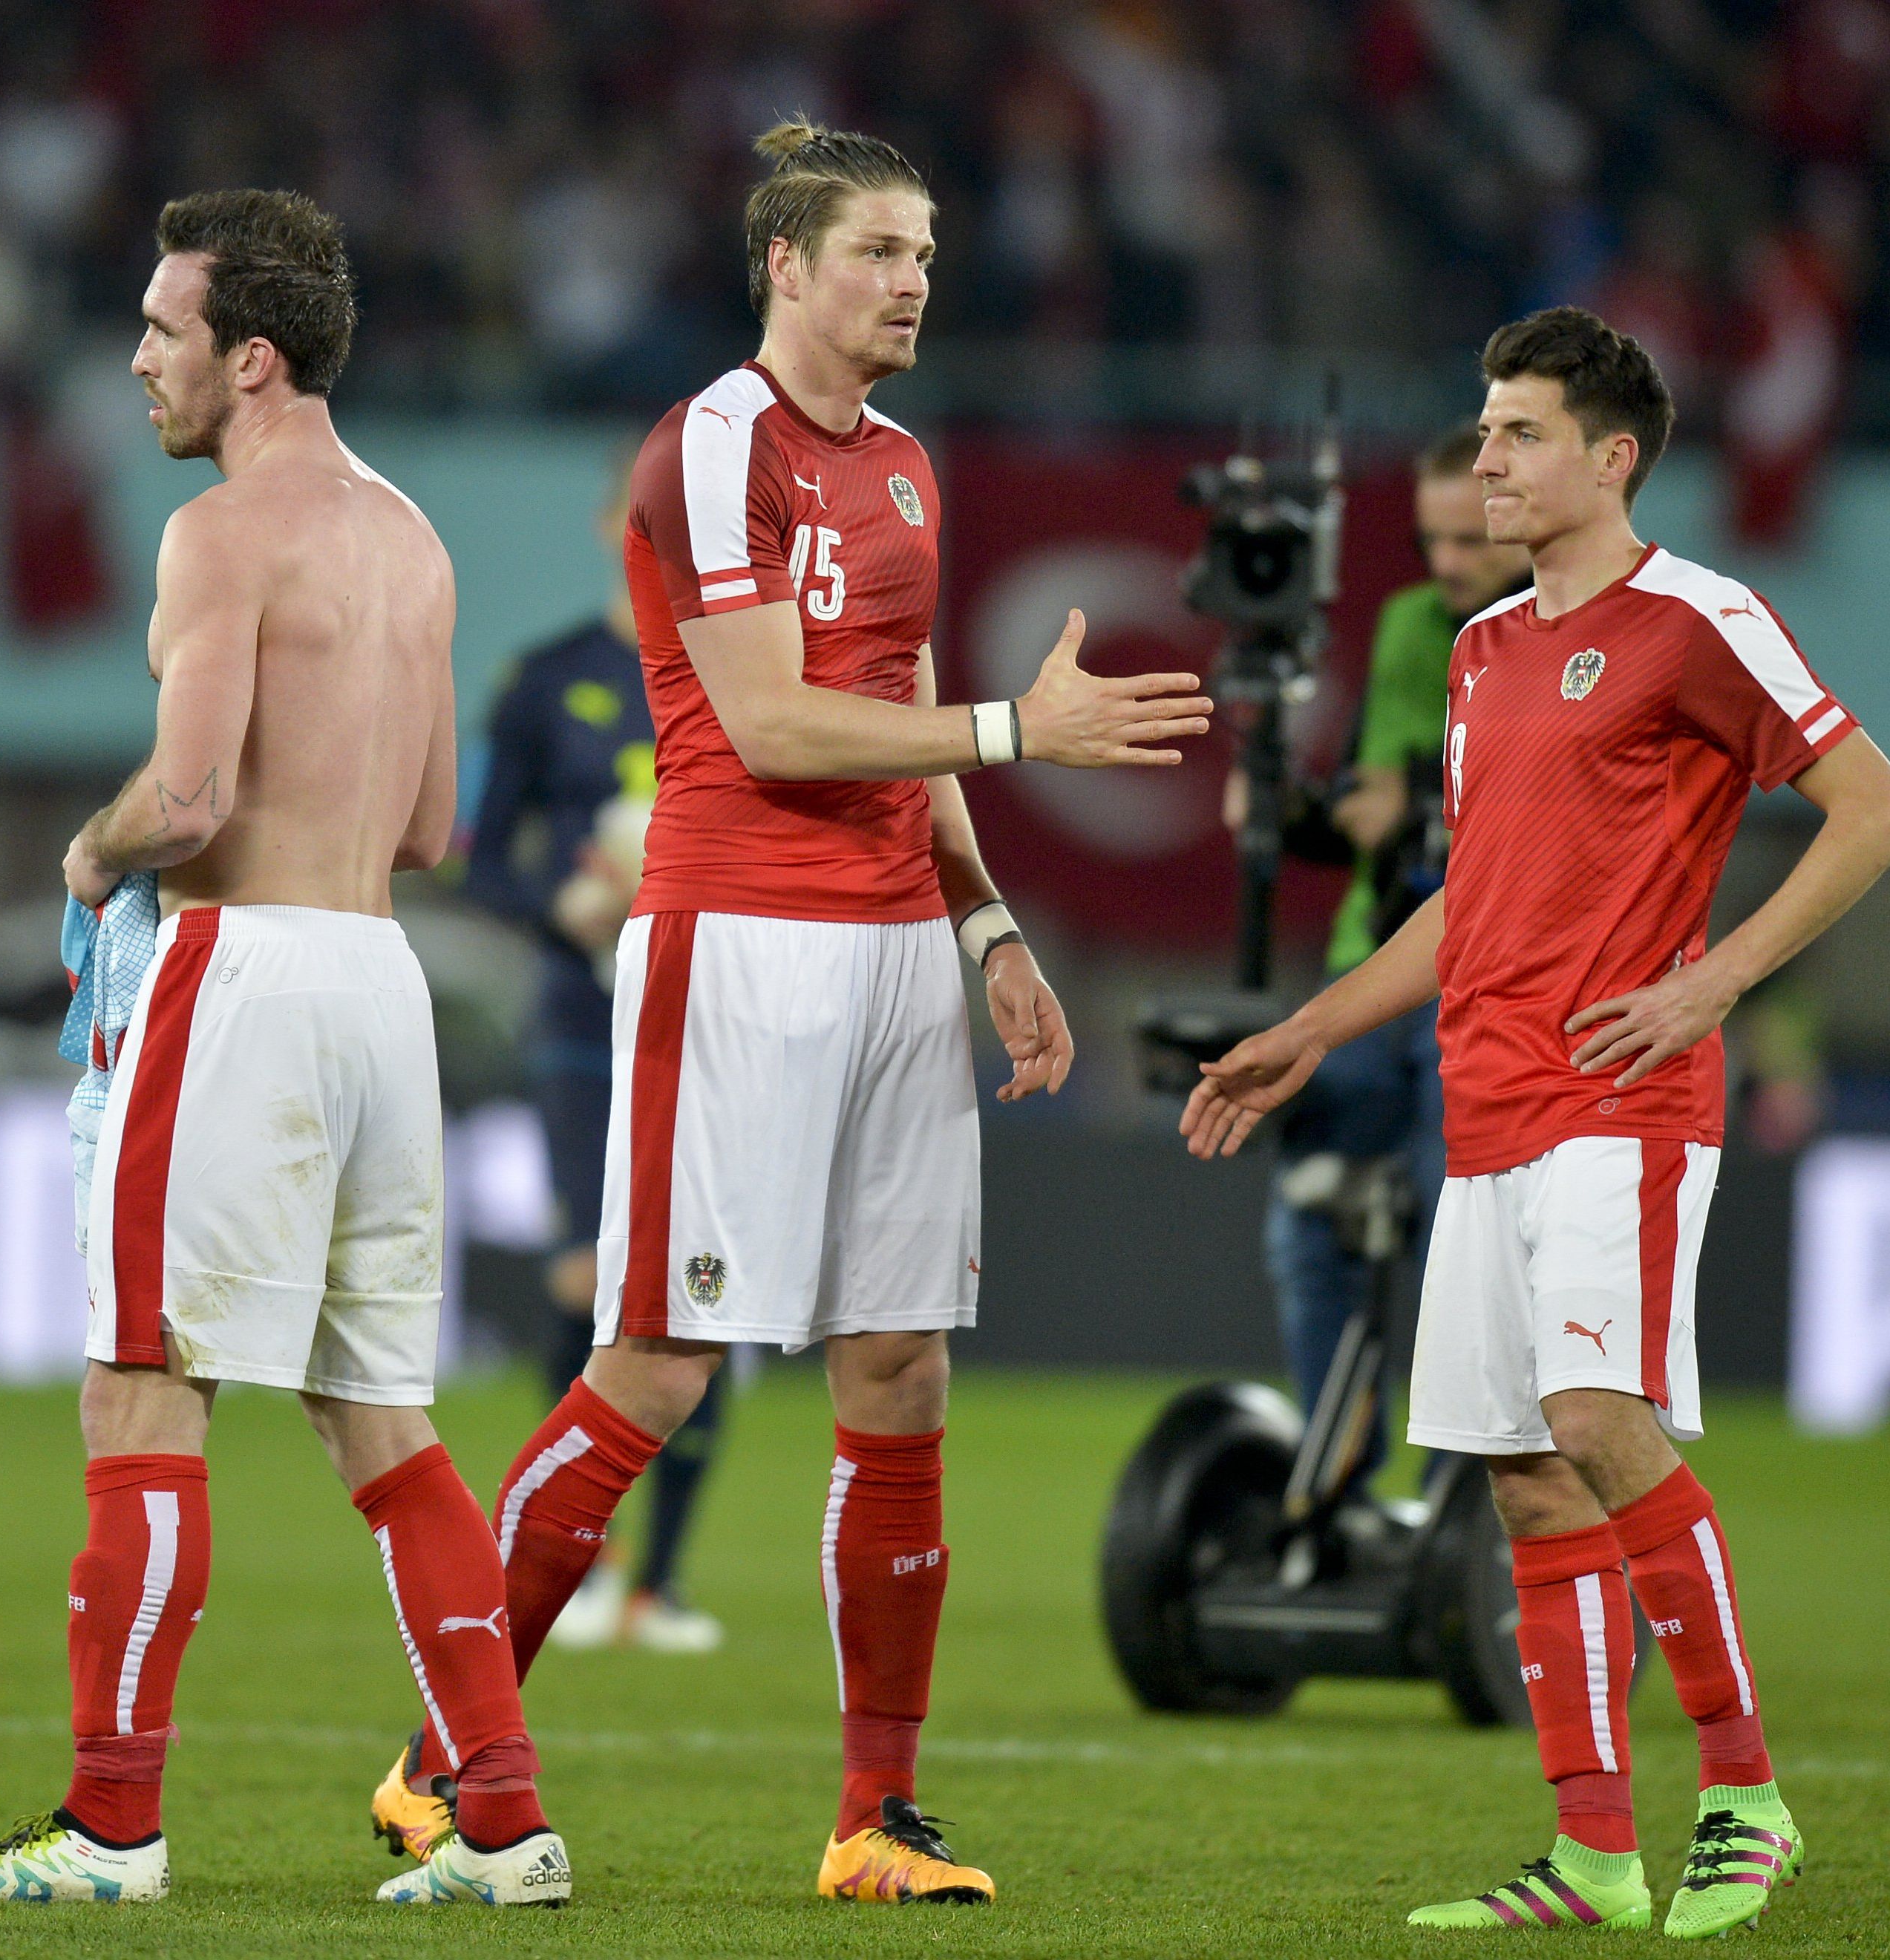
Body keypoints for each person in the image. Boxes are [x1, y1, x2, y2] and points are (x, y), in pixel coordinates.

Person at [370, 117, 1211, 1906]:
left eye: (923, 255)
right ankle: (443, 1758)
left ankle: (873, 1823)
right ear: (787, 265)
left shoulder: (908, 464)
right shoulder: (712, 442)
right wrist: (1016, 734)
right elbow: (770, 728)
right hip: (732, 943)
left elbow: (897, 699)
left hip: (901, 947)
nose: (911, 284)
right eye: (879, 253)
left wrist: (987, 922)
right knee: (654, 1367)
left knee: (901, 1373)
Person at [1183, 307, 1890, 1939]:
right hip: (1489, 1104)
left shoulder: (1697, 617)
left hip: (1625, 1098)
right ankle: (1593, 1851)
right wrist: (1301, 1031)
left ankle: (1745, 1797)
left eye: (1518, 432)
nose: (1489, 458)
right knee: (1521, 1477)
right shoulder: (1480, 650)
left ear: (1612, 458)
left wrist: (1711, 983)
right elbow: (1470, 905)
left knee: (1596, 1418)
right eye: (1484, 425)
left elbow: (1878, 809)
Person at [0, 189, 572, 1911]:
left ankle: (111, 1830)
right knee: (384, 1420)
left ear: (249, 357)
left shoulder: (220, 538)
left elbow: (189, 802)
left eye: (160, 331)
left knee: (143, 1390)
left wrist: (90, 851)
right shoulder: (416, 539)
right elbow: (428, 827)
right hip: (379, 981)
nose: (135, 361)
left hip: (240, 983)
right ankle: (504, 1827)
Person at [461, 480, 725, 1656]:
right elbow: (478, 858)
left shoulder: (743, 669)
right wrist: (559, 906)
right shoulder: (544, 677)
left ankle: (659, 1587)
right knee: (585, 1277)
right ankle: (588, 1566)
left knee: (704, 1298)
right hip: (582, 1013)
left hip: (711, 1015)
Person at [1237, 423, 1528, 1426]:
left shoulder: (1567, 637)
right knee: (1308, 1210)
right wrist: (1290, 811)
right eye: (1430, 542)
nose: (1446, 565)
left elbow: (1533, 843)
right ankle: (1334, 1469)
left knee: (1469, 1231)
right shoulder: (1413, 627)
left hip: (1487, 982)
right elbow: (1369, 823)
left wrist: (1410, 819)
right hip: (1375, 967)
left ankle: (1466, 1499)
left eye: (1469, 540)